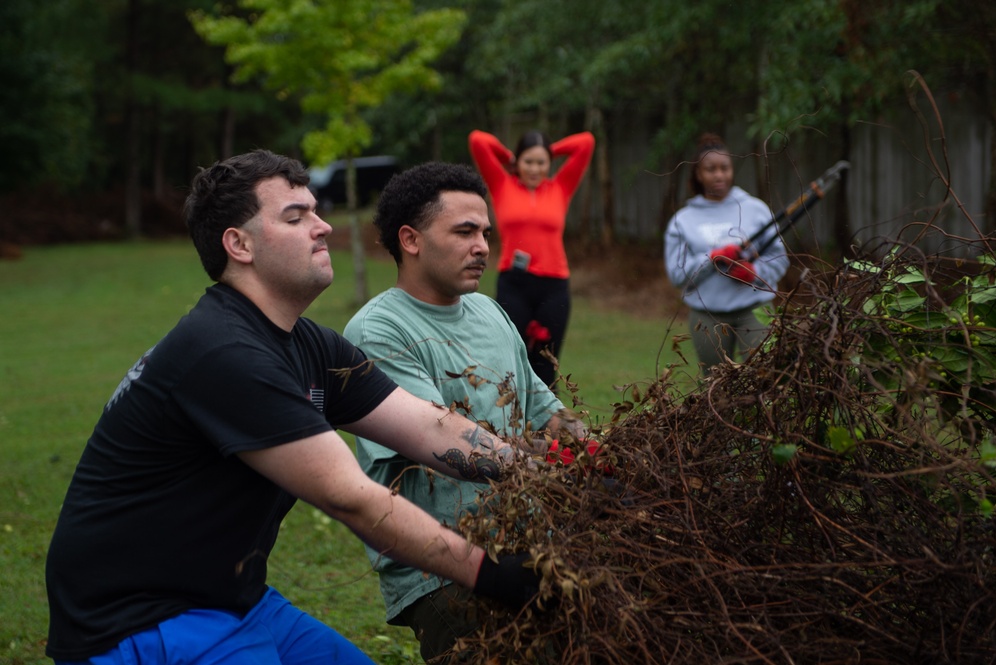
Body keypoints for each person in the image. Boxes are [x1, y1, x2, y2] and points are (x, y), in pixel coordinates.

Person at [44, 150, 545, 665]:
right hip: (139, 622)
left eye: (315, 210)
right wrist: (493, 574)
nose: (323, 227)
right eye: (296, 216)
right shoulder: (223, 352)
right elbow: (352, 499)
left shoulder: (311, 346)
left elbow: (430, 428)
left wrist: (551, 478)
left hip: (236, 599)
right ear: (239, 245)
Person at [343, 161, 587, 663]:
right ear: (410, 240)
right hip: (446, 567)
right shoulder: (377, 331)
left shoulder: (490, 311)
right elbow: (439, 436)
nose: (483, 246)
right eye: (464, 231)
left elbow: (541, 407)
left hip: (528, 542)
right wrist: (544, 465)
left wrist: (600, 451)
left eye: (485, 232)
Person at [468, 128, 595, 389]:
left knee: (547, 363)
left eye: (541, 162)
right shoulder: (502, 185)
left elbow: (586, 142)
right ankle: (510, 425)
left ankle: (549, 428)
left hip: (554, 286)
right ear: (518, 163)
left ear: (549, 163)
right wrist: (508, 156)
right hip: (514, 285)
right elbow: (478, 140)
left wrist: (550, 149)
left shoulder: (560, 187)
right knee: (511, 359)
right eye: (528, 161)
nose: (535, 169)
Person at [664, 133, 789, 374]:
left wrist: (754, 273)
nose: (719, 175)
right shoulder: (683, 221)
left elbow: (780, 258)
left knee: (765, 378)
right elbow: (677, 275)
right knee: (715, 387)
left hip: (755, 309)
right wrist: (712, 258)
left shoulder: (755, 209)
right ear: (698, 174)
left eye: (725, 168)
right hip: (707, 316)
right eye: (711, 169)